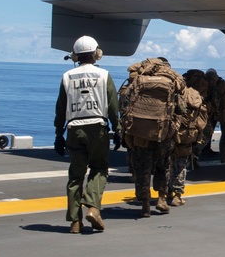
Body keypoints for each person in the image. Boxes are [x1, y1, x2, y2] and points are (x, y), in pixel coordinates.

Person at [54, 35, 121, 234]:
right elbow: (113, 106)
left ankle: (75, 221)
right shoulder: (104, 75)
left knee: (75, 176)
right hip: (97, 127)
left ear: (75, 55)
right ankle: (93, 207)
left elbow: (60, 109)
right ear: (96, 54)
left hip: (74, 128)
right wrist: (117, 130)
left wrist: (59, 135)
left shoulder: (67, 76)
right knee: (99, 168)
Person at [119, 57, 185, 217]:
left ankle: (145, 205)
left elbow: (124, 105)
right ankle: (162, 199)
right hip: (163, 133)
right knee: (163, 166)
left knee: (142, 168)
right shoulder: (171, 79)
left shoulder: (139, 80)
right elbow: (181, 108)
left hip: (140, 134)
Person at [167, 86, 207, 207]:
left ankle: (166, 191)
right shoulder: (192, 95)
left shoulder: (168, 93)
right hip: (186, 134)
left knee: (167, 163)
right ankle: (177, 195)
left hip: (168, 133)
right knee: (181, 163)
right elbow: (201, 120)